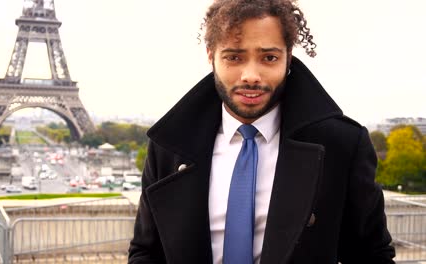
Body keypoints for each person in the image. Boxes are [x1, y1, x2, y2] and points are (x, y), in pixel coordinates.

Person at [128, 0, 395, 263]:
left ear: (288, 57)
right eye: (234, 57)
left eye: (269, 57)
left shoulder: (342, 145)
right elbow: (146, 252)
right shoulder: (169, 146)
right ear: (211, 55)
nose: (250, 75)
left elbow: (371, 255)